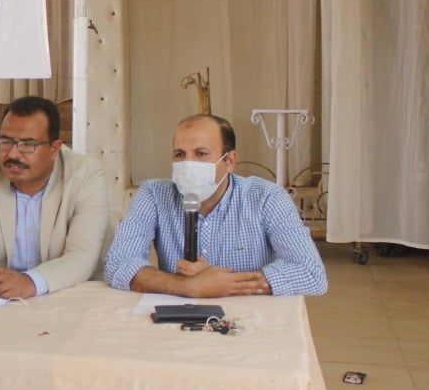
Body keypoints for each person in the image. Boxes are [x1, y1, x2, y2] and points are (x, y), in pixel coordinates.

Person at [103, 113, 328, 297]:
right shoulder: (153, 194)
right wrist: (189, 287)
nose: (188, 164)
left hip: (250, 320)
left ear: (229, 161)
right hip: (179, 318)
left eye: (201, 154)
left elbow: (311, 274)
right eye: (180, 154)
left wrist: (224, 284)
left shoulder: (267, 197)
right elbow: (118, 264)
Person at [0, 96, 110, 299]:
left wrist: (30, 282)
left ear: (54, 149)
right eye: (6, 142)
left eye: (28, 144)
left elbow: (82, 255)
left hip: (67, 297)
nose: (13, 154)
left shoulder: (85, 175)